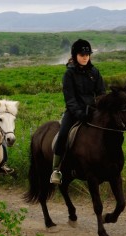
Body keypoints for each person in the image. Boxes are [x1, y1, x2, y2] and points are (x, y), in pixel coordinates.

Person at [50, 39, 106, 184]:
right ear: (75, 55)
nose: (85, 57)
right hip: (74, 112)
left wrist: (99, 109)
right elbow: (70, 99)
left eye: (87, 54)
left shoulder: (95, 72)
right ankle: (57, 169)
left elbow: (101, 93)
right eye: (82, 54)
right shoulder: (69, 74)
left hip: (92, 111)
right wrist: (80, 114)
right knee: (62, 135)